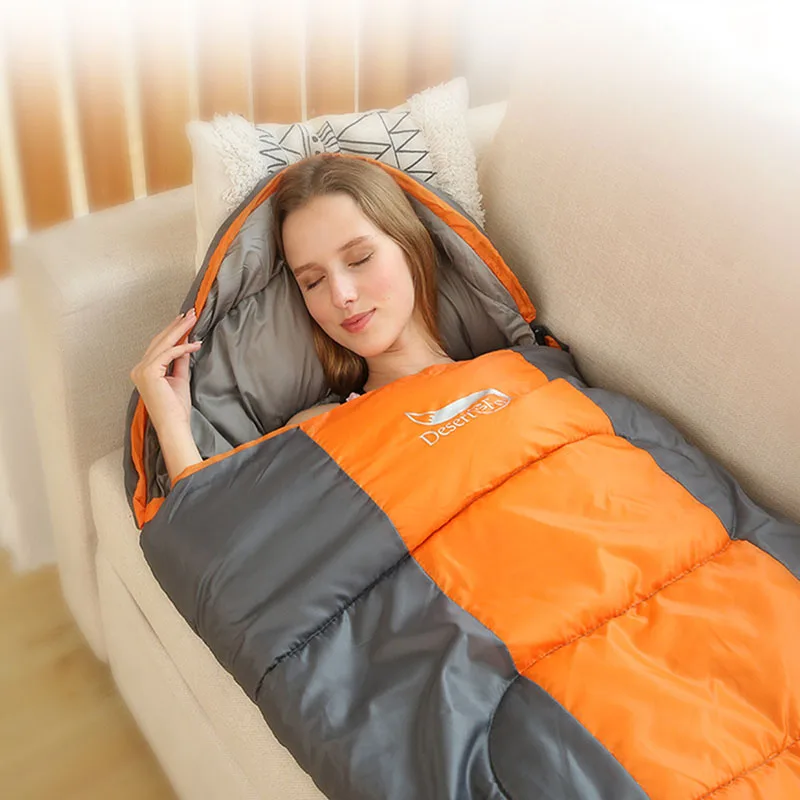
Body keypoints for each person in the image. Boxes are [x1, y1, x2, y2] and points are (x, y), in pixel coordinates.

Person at [130, 155, 454, 486]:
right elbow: (226, 519)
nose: (341, 296)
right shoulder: (319, 427)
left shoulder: (492, 372)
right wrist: (172, 425)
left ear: (411, 244)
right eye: (313, 282)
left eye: (360, 259)